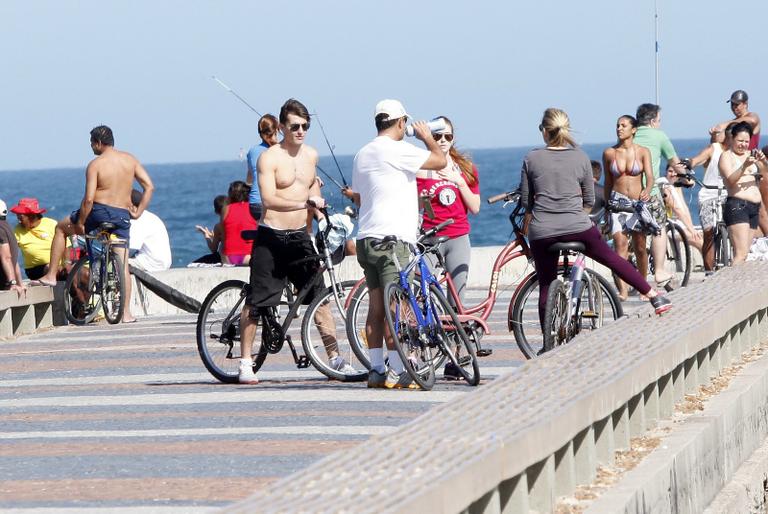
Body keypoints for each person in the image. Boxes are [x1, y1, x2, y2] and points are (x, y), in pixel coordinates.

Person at [520, 108, 671, 337]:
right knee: (611, 258)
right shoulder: (580, 157)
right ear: (565, 129)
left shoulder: (531, 158)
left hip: (543, 231)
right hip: (578, 228)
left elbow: (526, 201)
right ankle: (653, 296)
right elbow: (589, 200)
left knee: (546, 284)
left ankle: (547, 343)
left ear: (544, 131)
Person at [237, 98, 354, 384]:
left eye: (305, 126)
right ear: (281, 127)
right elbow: (268, 199)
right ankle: (244, 362)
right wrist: (304, 202)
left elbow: (310, 185)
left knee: (320, 299)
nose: (300, 131)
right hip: (272, 237)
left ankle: (335, 358)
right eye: (294, 126)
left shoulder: (311, 155)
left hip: (301, 237)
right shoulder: (270, 158)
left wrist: (317, 200)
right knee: (258, 302)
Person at [348, 99, 446, 389]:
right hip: (394, 241)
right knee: (397, 308)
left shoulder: (362, 154)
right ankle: (399, 369)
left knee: (376, 307)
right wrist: (428, 136)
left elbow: (360, 195)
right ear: (401, 123)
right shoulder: (399, 150)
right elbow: (440, 161)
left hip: (366, 239)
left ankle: (377, 369)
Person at [33, 125, 154, 324]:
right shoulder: (130, 160)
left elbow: (89, 200)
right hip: (122, 216)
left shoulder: (96, 164)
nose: (91, 147)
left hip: (98, 213)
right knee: (122, 264)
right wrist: (139, 211)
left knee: (60, 228)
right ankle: (125, 313)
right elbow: (149, 186)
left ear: (98, 143)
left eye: (91, 143)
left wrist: (80, 222)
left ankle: (51, 276)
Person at [416, 116, 480, 305]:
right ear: (429, 138)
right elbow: (416, 207)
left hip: (458, 236)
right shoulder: (420, 168)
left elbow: (475, 207)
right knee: (422, 291)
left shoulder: (465, 168)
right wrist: (422, 200)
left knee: (457, 298)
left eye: (447, 136)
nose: (442, 140)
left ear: (453, 139)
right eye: (437, 136)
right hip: (430, 237)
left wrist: (459, 181)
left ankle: (455, 333)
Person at [601, 115, 654, 300]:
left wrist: (647, 190)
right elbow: (608, 182)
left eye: (623, 125)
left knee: (640, 247)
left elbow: (650, 176)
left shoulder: (642, 152)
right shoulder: (609, 153)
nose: (619, 128)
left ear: (634, 130)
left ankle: (643, 286)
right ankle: (622, 290)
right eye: (617, 125)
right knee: (620, 247)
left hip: (636, 204)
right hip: (617, 204)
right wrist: (607, 206)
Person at [633, 103, 685, 290]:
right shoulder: (659, 136)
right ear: (653, 121)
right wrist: (687, 176)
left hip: (627, 193)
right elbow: (675, 162)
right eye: (659, 120)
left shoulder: (631, 134)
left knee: (635, 232)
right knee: (659, 226)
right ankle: (660, 271)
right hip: (649, 192)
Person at [710, 90, 767, 234]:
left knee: (760, 208)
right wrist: (714, 135)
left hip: (753, 165)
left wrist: (724, 124)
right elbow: (719, 142)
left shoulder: (751, 117)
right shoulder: (733, 126)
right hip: (736, 165)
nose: (734, 107)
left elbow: (751, 121)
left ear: (745, 104)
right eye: (732, 104)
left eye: (737, 104)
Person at [682, 126, 733, 271]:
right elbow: (698, 159)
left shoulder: (738, 153)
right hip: (709, 194)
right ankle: (709, 272)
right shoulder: (714, 148)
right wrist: (690, 163)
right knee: (709, 233)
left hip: (728, 194)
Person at [719, 122, 768, 264]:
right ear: (732, 138)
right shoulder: (726, 156)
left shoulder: (750, 155)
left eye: (746, 142)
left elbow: (766, 173)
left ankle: (736, 283)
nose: (743, 145)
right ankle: (730, 284)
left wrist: (763, 161)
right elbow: (730, 181)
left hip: (754, 208)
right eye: (740, 141)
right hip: (737, 206)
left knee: (745, 254)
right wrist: (744, 165)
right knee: (740, 254)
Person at [9, 198, 61, 280]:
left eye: (21, 216)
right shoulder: (17, 231)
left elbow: (67, 245)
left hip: (59, 265)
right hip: (35, 269)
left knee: (82, 273)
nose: (18, 220)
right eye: (17, 215)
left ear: (32, 216)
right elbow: (8, 254)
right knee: (53, 269)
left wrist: (67, 263)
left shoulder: (52, 224)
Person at [245, 114, 280, 221]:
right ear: (277, 130)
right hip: (269, 203)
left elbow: (249, 180)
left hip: (254, 204)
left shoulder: (252, 151)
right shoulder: (280, 150)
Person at [128, 190, 172, 272]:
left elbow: (132, 248)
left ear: (132, 207)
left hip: (151, 264)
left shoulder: (137, 220)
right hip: (163, 263)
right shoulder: (150, 216)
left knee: (115, 262)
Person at [221, 181, 256, 266]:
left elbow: (223, 236)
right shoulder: (254, 208)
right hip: (249, 256)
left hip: (228, 257)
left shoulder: (226, 209)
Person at [193, 195, 227, 264]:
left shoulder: (218, 226)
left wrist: (206, 236)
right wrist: (214, 237)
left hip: (224, 258)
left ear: (216, 211)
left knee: (193, 264)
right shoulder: (236, 222)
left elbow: (213, 249)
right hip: (240, 256)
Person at [0, 200, 25, 294]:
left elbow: (6, 257)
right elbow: (14, 262)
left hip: (3, 284)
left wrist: (12, 283)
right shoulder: (8, 227)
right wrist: (20, 283)